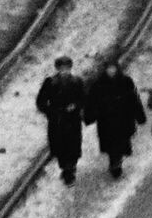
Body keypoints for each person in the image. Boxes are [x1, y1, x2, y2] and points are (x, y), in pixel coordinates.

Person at [85, 59, 146, 178]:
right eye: (109, 68)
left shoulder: (126, 81)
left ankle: (117, 162)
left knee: (121, 142)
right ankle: (115, 163)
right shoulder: (98, 84)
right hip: (106, 120)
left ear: (117, 69)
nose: (111, 71)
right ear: (105, 70)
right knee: (111, 144)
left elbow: (134, 99)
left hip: (123, 118)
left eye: (113, 68)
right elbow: (91, 102)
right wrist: (90, 115)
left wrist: (139, 116)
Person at [36, 55, 88, 185]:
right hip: (57, 121)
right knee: (59, 147)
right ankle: (66, 169)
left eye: (67, 69)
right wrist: (51, 112)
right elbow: (41, 102)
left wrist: (75, 106)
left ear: (70, 69)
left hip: (72, 120)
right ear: (57, 69)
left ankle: (70, 169)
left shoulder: (77, 82)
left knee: (74, 146)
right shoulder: (50, 83)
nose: (64, 71)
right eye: (61, 69)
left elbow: (83, 99)